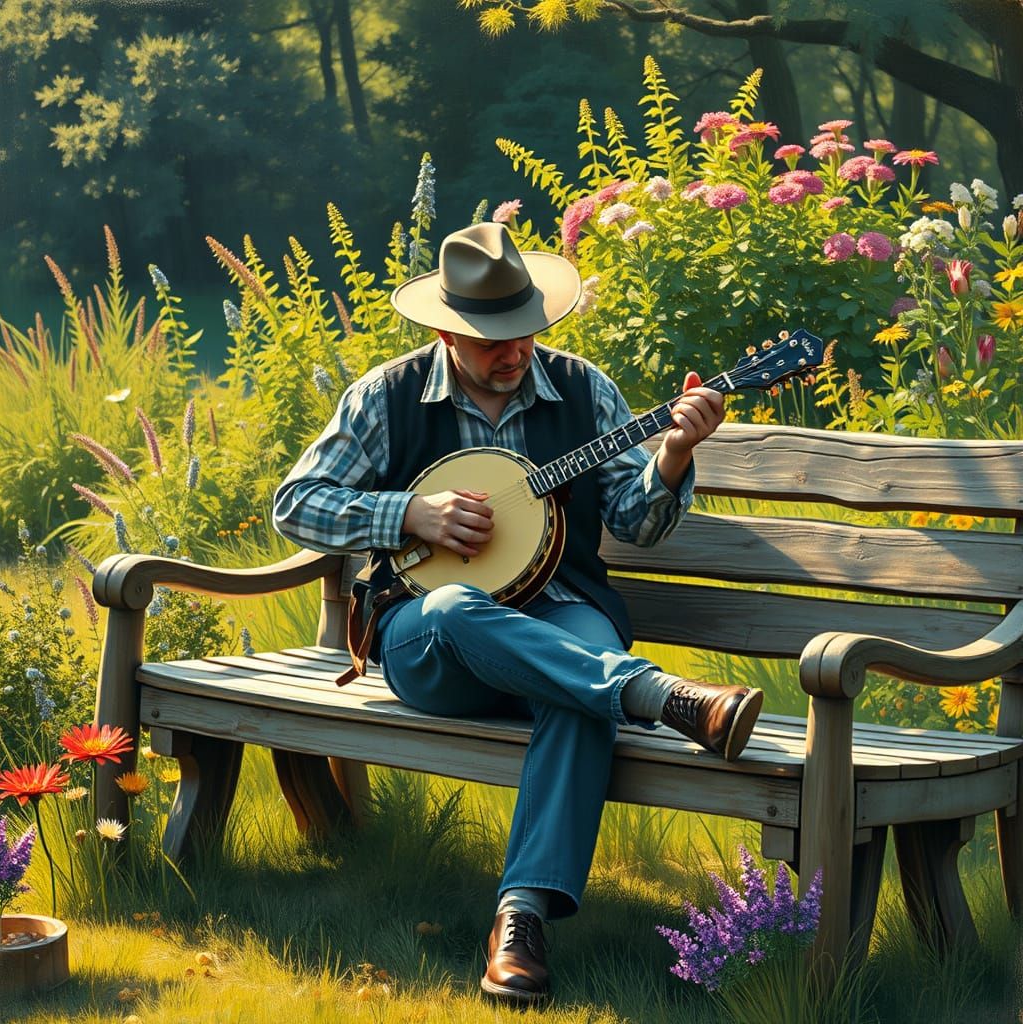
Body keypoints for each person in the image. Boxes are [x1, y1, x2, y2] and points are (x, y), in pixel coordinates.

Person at [273, 222, 763, 1006]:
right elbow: (295, 504)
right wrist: (409, 516)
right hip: (431, 638)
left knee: (578, 693)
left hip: (565, 616)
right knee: (461, 606)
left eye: (525, 332)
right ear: (445, 330)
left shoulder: (584, 389)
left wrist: (672, 455)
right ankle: (658, 696)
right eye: (493, 340)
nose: (515, 352)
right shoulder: (387, 396)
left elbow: (636, 521)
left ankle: (520, 920)